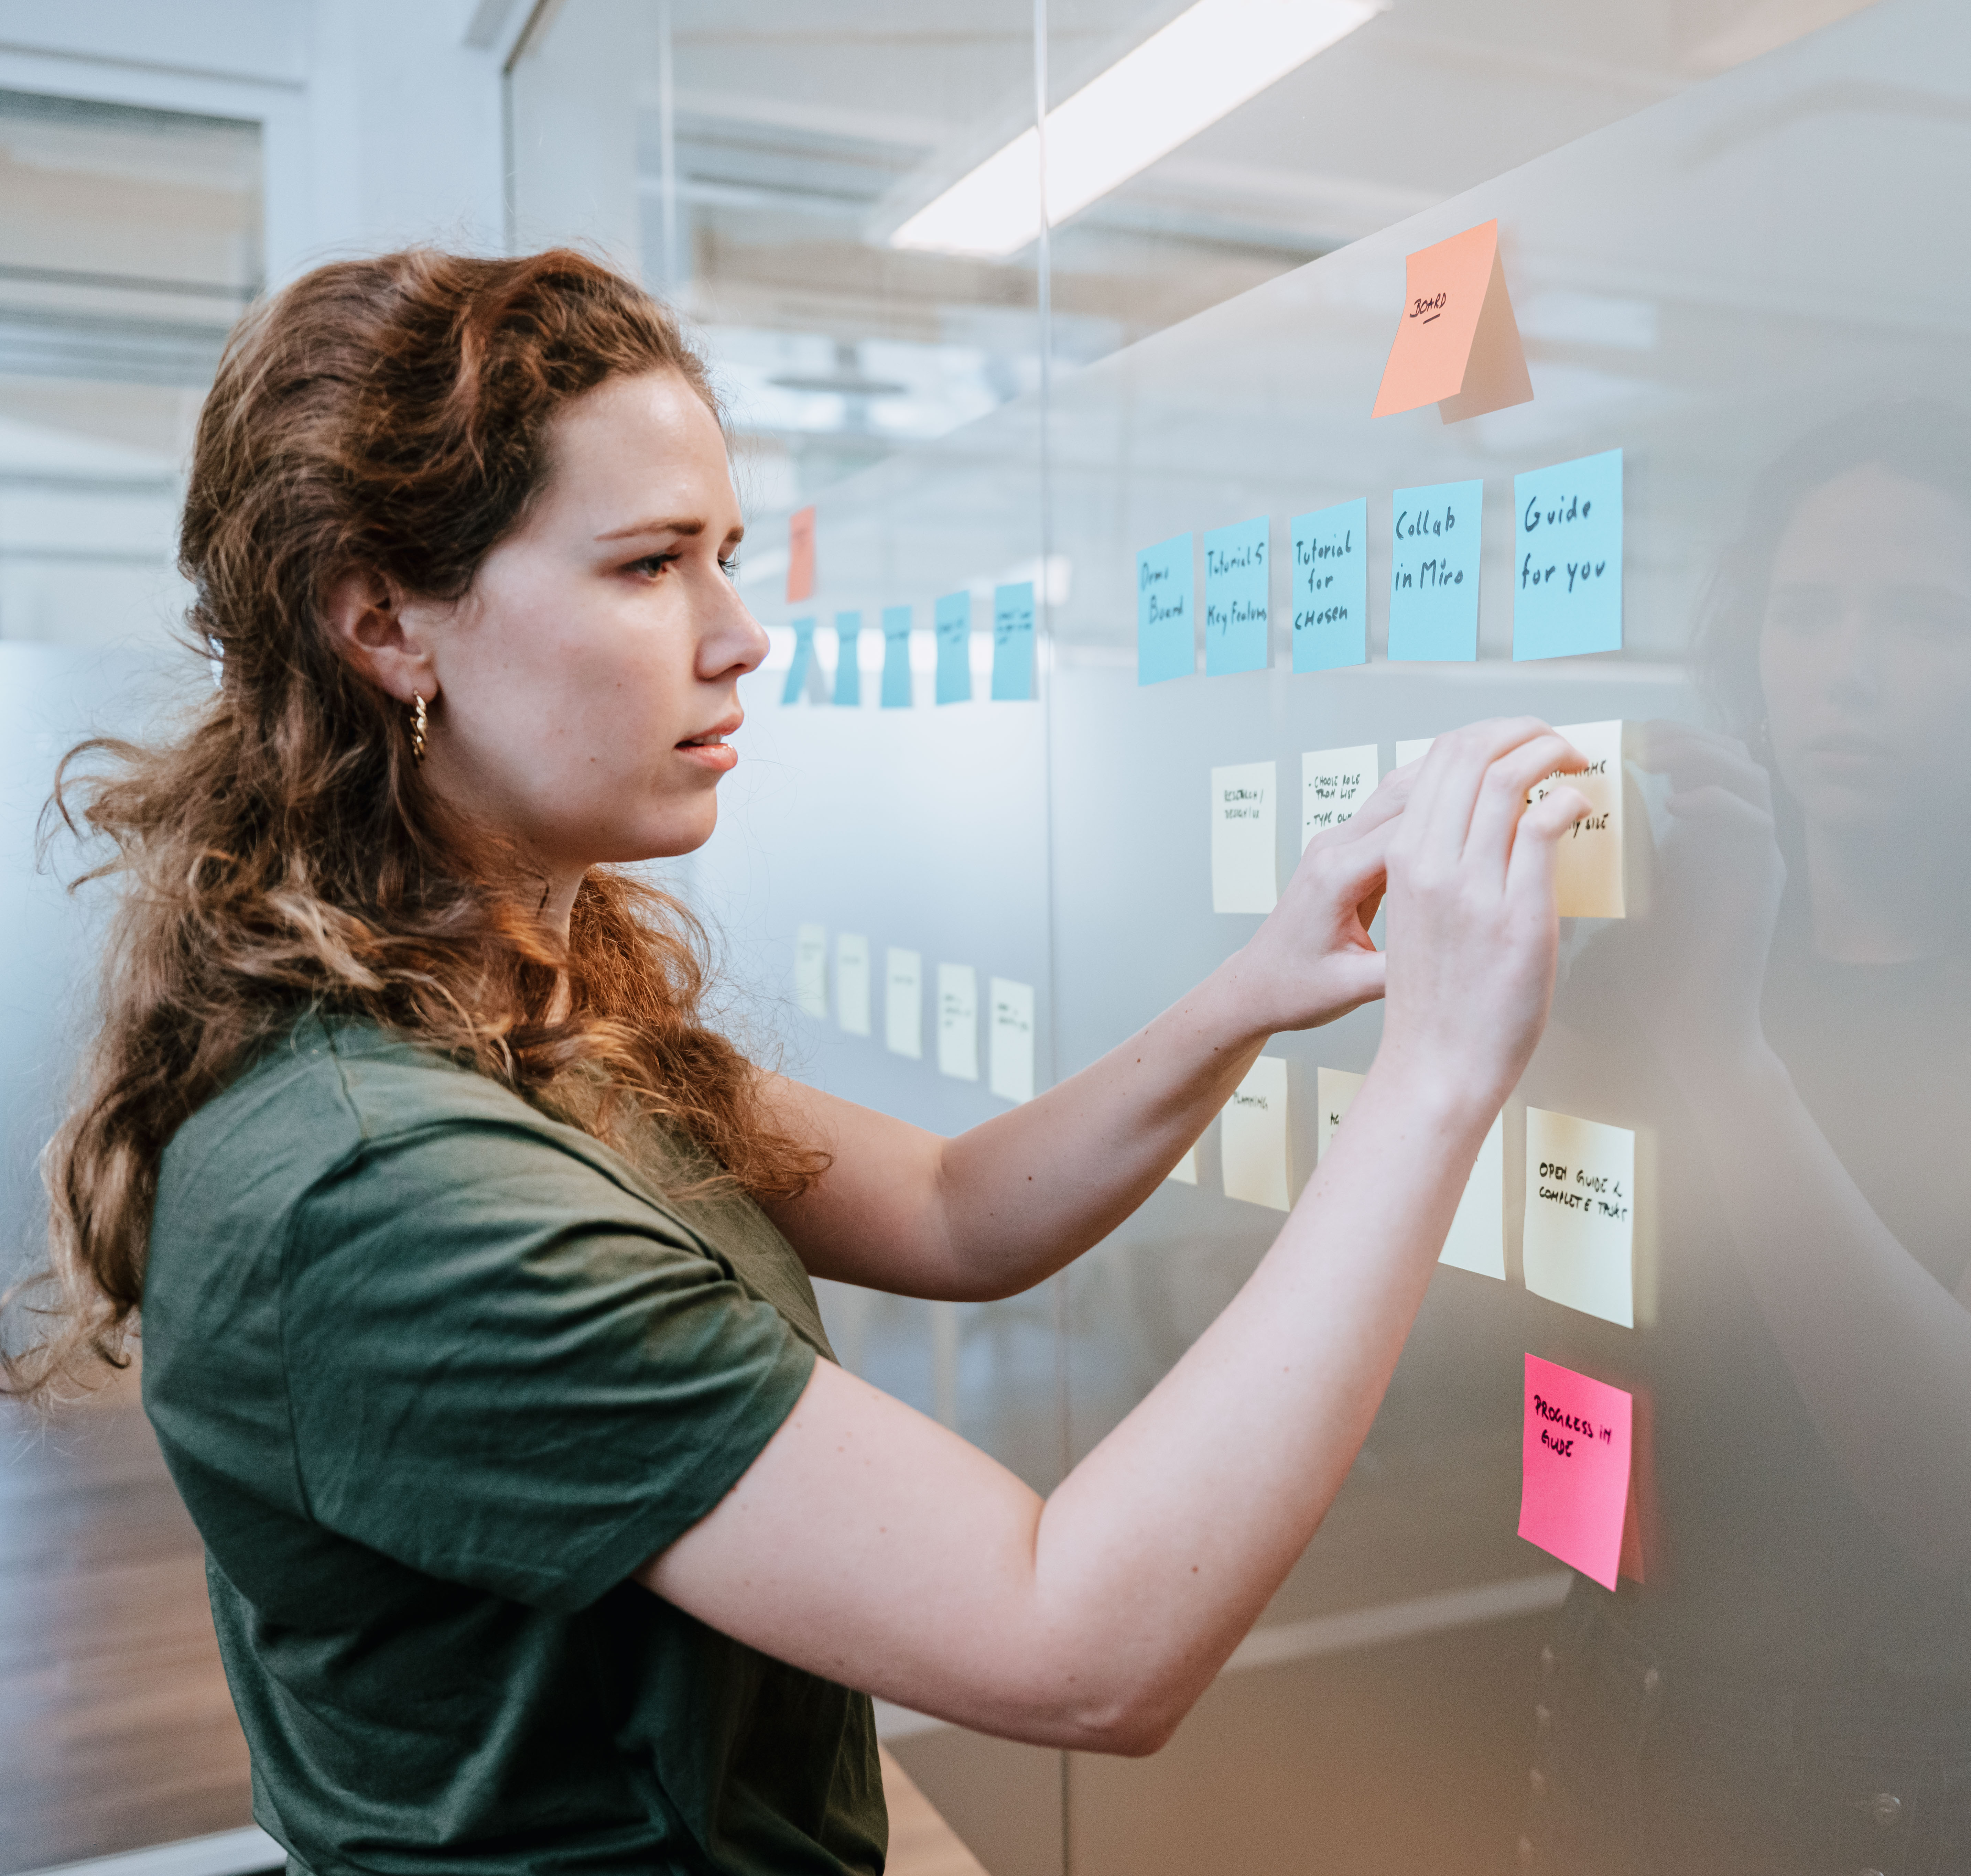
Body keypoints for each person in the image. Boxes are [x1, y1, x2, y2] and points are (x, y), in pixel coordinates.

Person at [3, 248, 1592, 1873]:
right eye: (646, 566)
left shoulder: (521, 1019)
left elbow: (962, 1210)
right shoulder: (388, 1191)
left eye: (728, 556)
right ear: (386, 622)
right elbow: (1079, 1642)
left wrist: (1250, 991)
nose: (740, 634)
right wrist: (1440, 1072)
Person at [1519, 402, 1971, 1875]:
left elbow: (1964, 1487)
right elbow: (1529, 1301)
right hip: (1619, 1695)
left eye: (1926, 617)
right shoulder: (1647, 964)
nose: (1852, 667)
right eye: (1804, 613)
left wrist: (1725, 1056)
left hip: (1906, 1779)